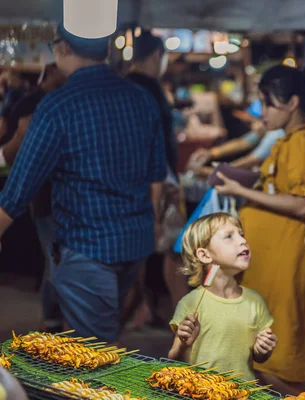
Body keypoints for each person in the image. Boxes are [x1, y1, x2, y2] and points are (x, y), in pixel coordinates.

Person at [0, 23, 167, 344]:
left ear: (62, 49)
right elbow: (156, 173)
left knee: (93, 351)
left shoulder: (57, 105)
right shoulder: (141, 99)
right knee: (104, 333)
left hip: (87, 246)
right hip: (136, 242)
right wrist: (156, 222)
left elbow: (19, 188)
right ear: (106, 50)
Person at [213, 64, 305, 394]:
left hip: (286, 261)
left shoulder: (303, 143)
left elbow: (303, 204)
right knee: (260, 351)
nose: (262, 112)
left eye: (268, 103)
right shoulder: (285, 141)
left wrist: (241, 192)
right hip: (270, 260)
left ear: (291, 103)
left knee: (281, 352)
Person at [122, 30, 188, 328]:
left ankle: (144, 307)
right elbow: (152, 143)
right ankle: (178, 314)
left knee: (153, 246)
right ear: (155, 56)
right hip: (157, 177)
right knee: (172, 247)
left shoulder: (130, 85)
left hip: (148, 177)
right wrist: (162, 188)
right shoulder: (145, 87)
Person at [168, 212, 277, 381]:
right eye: (229, 237)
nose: (242, 241)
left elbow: (259, 358)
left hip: (242, 393)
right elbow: (172, 359)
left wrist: (263, 350)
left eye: (241, 235)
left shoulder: (255, 301)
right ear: (205, 255)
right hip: (202, 391)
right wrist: (183, 344)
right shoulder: (191, 303)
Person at [0, 63, 66, 333]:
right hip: (45, 201)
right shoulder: (37, 104)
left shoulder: (60, 102)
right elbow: (12, 146)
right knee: (55, 264)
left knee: (58, 265)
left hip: (57, 202)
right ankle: (52, 323)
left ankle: (55, 324)